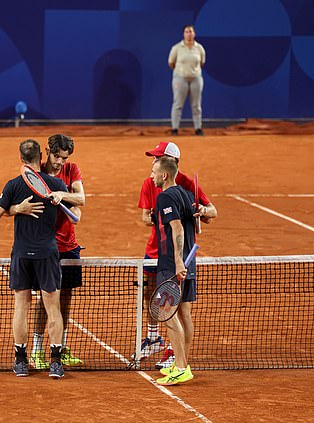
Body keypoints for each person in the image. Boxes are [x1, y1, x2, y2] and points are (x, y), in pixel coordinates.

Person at [0, 139, 69, 378]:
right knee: (53, 308)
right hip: (47, 254)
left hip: (22, 254)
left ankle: (21, 360)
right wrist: (60, 197)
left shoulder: (13, 185)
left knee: (21, 308)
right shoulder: (56, 184)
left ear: (21, 159)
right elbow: (74, 213)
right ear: (40, 158)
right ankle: (55, 362)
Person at [137, 141, 217, 369]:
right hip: (159, 251)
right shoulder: (155, 184)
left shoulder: (185, 186)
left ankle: (179, 359)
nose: (152, 163)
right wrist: (159, 216)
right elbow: (146, 218)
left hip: (174, 258)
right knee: (155, 297)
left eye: (157, 158)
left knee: (173, 311)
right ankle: (160, 344)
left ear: (168, 164)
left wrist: (201, 210)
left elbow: (209, 213)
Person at [8, 134, 85, 369]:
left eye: (65, 158)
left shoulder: (72, 170)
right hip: (44, 247)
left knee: (65, 298)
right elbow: (9, 206)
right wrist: (16, 209)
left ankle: (59, 345)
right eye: (57, 156)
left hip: (68, 245)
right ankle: (38, 348)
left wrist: (63, 195)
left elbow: (81, 199)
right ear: (47, 152)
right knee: (44, 301)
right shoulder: (34, 174)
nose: (61, 162)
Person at [150, 156, 199, 385]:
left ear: (164, 175)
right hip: (190, 262)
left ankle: (180, 367)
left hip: (172, 264)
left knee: (167, 316)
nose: (151, 176)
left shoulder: (165, 196)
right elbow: (192, 223)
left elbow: (177, 228)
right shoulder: (184, 194)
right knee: (181, 315)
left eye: (153, 172)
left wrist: (178, 262)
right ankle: (183, 364)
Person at [168, 25, 206, 136]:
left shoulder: (199, 48)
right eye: (186, 32)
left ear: (194, 34)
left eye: (191, 31)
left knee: (196, 105)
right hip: (180, 79)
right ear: (183, 34)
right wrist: (181, 72)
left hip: (196, 79)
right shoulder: (176, 48)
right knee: (178, 104)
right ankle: (175, 129)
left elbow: (202, 63)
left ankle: (198, 129)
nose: (189, 34)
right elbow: (171, 62)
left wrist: (193, 72)